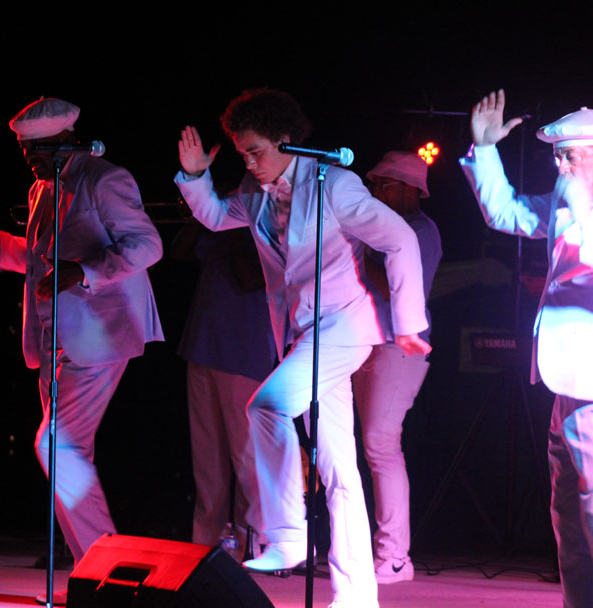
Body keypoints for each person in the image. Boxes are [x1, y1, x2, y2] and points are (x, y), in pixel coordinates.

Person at [174, 88, 429, 608]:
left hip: (345, 326)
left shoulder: (334, 182)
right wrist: (196, 177)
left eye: (256, 151)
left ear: (285, 140)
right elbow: (218, 217)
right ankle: (357, 596)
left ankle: (287, 533)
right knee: (339, 468)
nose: (249, 163)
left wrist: (408, 323)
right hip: (302, 330)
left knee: (266, 406)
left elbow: (400, 238)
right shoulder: (256, 189)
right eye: (243, 154)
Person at [459, 90, 593, 608]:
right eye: (557, 157)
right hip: (568, 383)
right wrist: (486, 151)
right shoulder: (573, 201)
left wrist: (584, 214)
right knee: (572, 519)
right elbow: (507, 214)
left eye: (570, 157)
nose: (560, 167)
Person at [0, 97, 163, 594]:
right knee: (68, 452)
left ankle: (109, 571)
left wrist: (83, 271)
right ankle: (95, 574)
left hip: (100, 333)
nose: (30, 159)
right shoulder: (42, 189)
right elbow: (41, 260)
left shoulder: (104, 179)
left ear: (67, 141)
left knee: (56, 445)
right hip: (53, 337)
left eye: (38, 149)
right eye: (25, 150)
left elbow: (146, 245)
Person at [352, 151, 441, 584]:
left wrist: (355, 253)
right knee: (365, 445)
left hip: (400, 347)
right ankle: (367, 550)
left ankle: (395, 557)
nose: (375, 191)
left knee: (381, 444)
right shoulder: (379, 227)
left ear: (409, 188)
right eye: (373, 184)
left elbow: (396, 287)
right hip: (368, 341)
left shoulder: (421, 230)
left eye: (383, 185)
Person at [172, 208, 277, 559]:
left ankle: (255, 544)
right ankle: (206, 546)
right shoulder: (221, 231)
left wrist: (233, 226)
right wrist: (198, 215)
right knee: (207, 460)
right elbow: (178, 252)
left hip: (244, 354)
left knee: (247, 458)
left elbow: (249, 278)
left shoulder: (265, 229)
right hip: (202, 346)